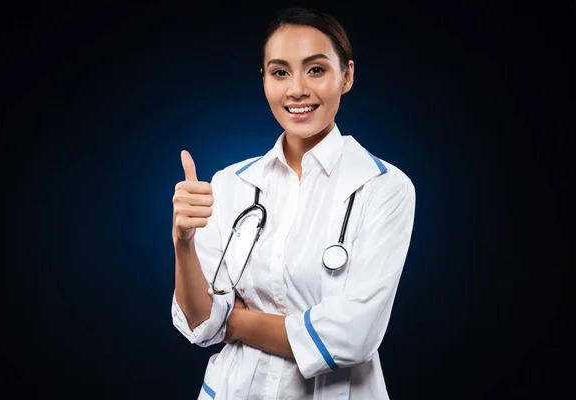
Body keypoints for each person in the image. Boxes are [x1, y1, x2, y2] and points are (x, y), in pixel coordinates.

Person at [171, 7, 416, 400]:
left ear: (347, 76)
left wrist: (231, 320)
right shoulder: (231, 184)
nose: (297, 89)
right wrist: (182, 242)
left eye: (316, 69)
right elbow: (199, 323)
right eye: (280, 72)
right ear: (264, 80)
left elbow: (354, 336)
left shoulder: (383, 187)